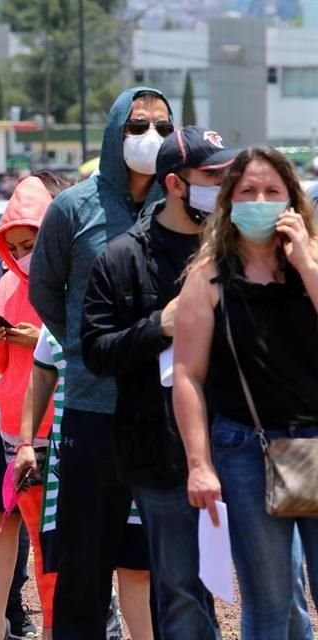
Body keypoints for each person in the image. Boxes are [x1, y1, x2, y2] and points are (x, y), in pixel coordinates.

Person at [81, 126, 237, 638]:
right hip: (158, 448)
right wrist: (159, 326)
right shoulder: (121, 259)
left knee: (268, 584)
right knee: (180, 589)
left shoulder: (240, 256)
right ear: (175, 184)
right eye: (212, 175)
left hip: (242, 440)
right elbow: (96, 352)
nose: (225, 185)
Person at [28, 86, 172, 639]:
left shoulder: (179, 206)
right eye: (138, 126)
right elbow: (45, 289)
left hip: (165, 410)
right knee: (85, 564)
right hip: (93, 407)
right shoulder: (73, 208)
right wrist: (90, 348)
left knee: (166, 563)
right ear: (115, 132)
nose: (150, 137)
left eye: (162, 125)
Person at [174, 146, 318, 637]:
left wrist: (306, 263)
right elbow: (187, 376)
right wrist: (200, 464)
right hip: (246, 450)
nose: (260, 201)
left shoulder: (312, 265)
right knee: (270, 599)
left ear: (292, 200)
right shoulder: (208, 277)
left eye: (272, 191)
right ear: (228, 203)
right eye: (248, 192)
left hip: (316, 445)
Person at [0, 177, 57, 640]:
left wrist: (39, 340)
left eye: (32, 241)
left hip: (58, 423)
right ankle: (50, 625)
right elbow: (0, 364)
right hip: (15, 427)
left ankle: (55, 626)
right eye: (16, 245)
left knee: (56, 539)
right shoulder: (6, 282)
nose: (24, 252)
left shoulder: (68, 282)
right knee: (33, 531)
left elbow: (79, 349)